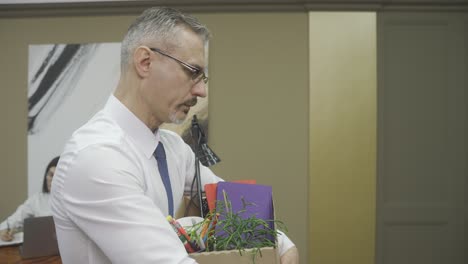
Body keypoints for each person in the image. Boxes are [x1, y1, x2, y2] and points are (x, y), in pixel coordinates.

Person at [50, 7, 298, 264]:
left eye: (203, 78)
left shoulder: (172, 148)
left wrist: (281, 243)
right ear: (145, 62)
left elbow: (232, 203)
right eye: (192, 72)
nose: (201, 91)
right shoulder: (97, 157)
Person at [0, 156, 60, 242]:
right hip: (42, 249)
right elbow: (15, 219)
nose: (53, 180)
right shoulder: (37, 200)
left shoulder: (76, 201)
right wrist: (5, 229)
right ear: (46, 176)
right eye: (51, 175)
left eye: (57, 177)